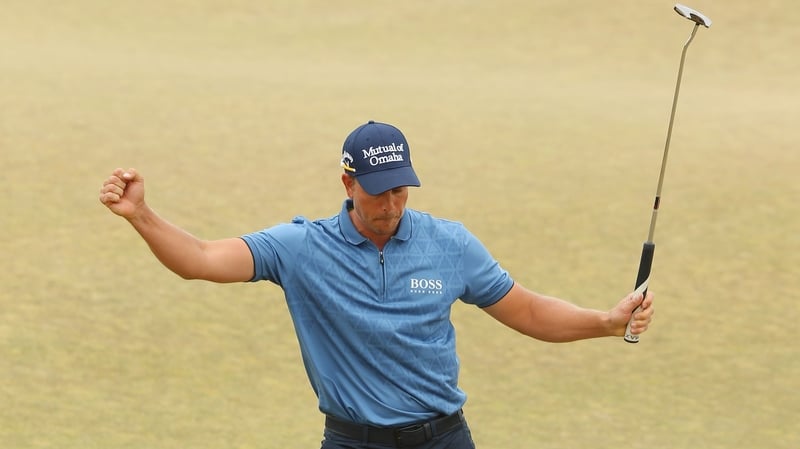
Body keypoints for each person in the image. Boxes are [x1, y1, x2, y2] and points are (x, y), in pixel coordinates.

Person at [99, 120, 654, 449]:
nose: (391, 204)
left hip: (444, 438)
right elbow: (199, 258)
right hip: (353, 440)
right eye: (378, 190)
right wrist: (142, 215)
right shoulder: (301, 248)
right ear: (348, 182)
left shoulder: (450, 243)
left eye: (401, 190)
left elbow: (528, 311)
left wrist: (604, 323)